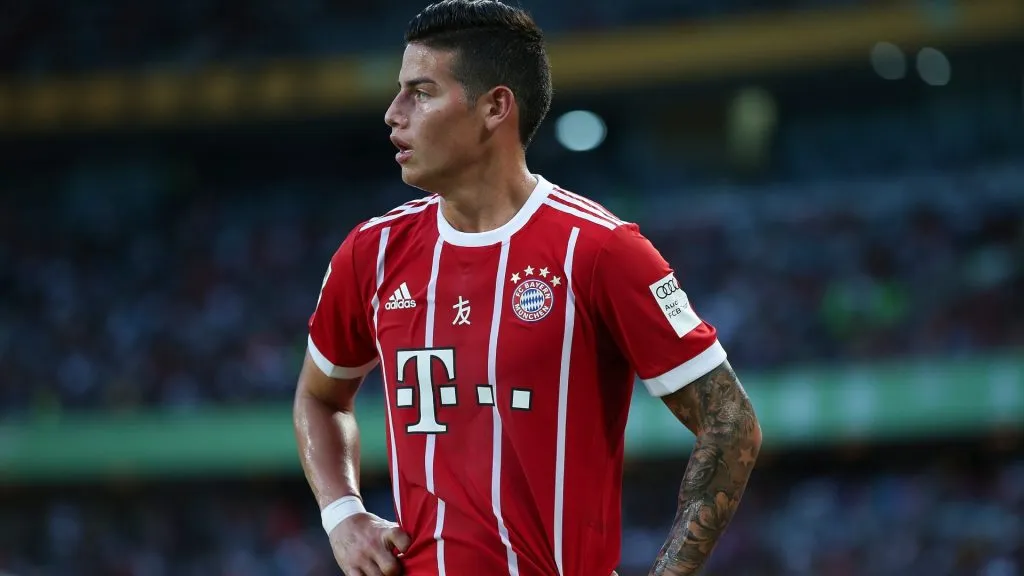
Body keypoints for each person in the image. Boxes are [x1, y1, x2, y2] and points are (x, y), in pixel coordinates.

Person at [293, 1, 762, 574]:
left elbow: (730, 423)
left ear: (495, 107)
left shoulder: (599, 251)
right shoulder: (372, 252)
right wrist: (343, 514)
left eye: (421, 92)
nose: (393, 114)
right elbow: (319, 396)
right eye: (399, 91)